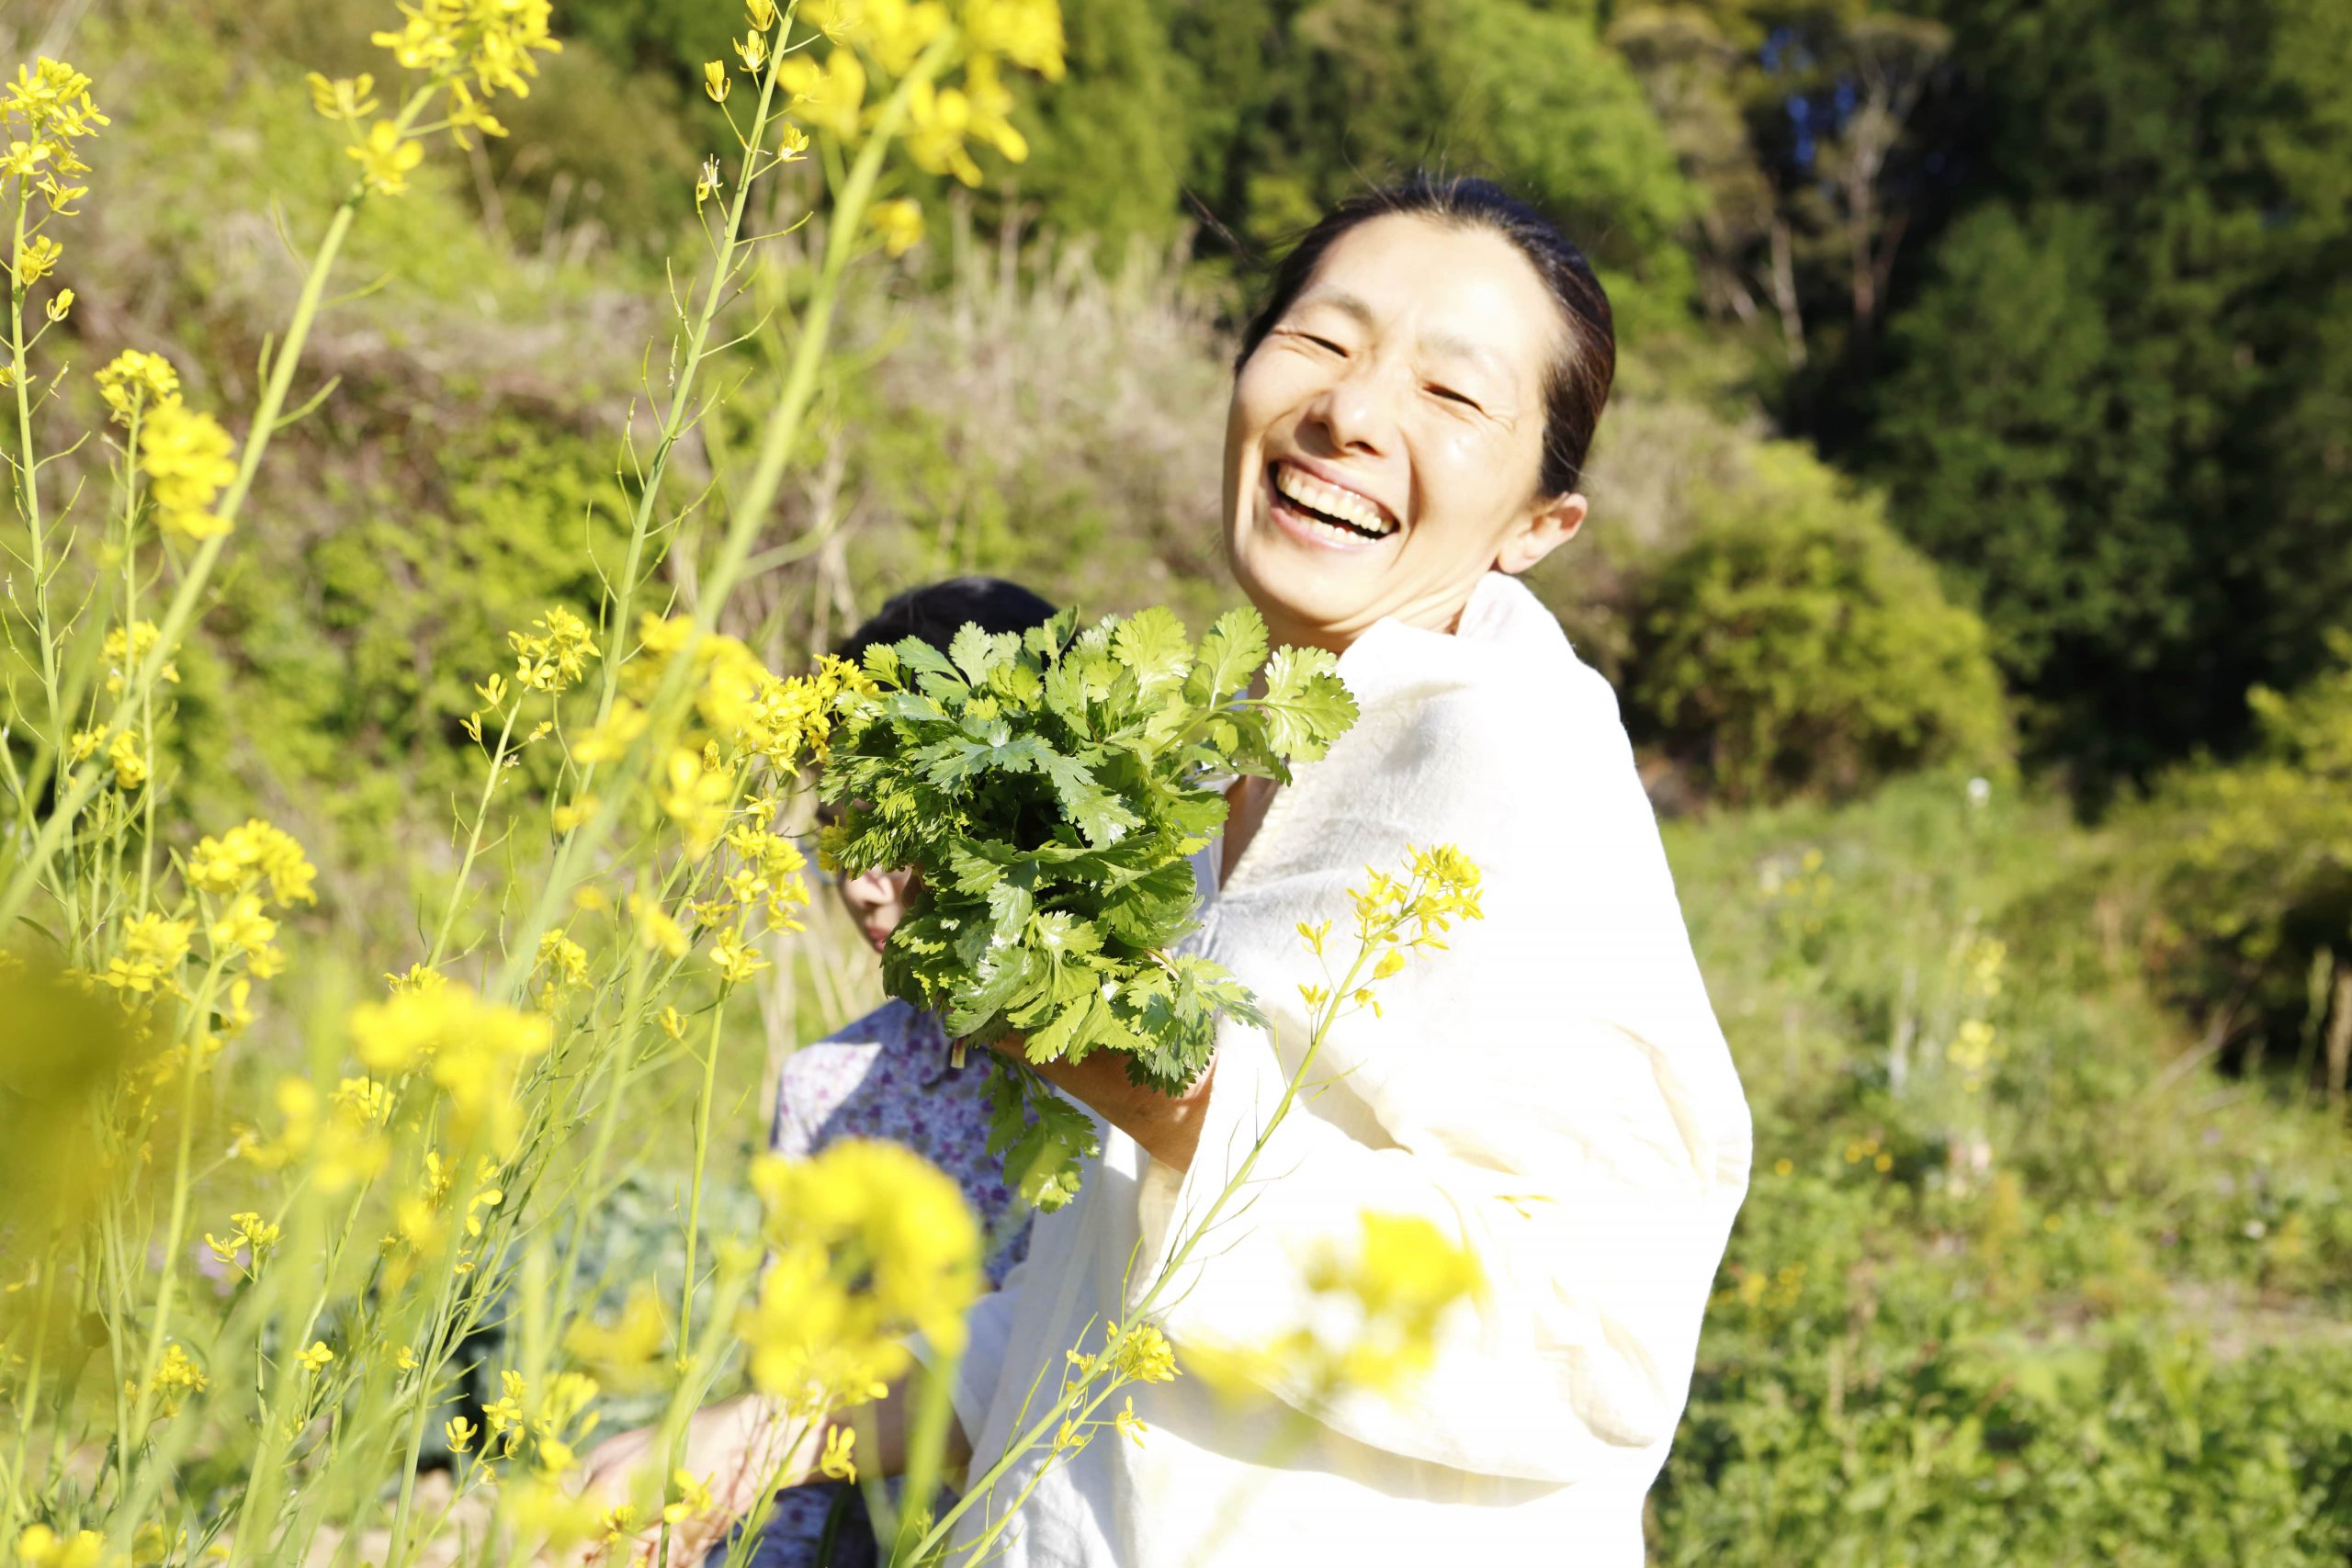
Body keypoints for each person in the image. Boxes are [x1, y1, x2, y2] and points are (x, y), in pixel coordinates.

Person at [588, 173, 1753, 1567]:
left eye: (1452, 393)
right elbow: (1111, 1290)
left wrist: (1159, 1086)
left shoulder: (1518, 771)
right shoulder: (1202, 769)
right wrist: (744, 1441)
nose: (1351, 411)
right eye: (1322, 340)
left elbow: (1601, 1338)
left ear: (1538, 525)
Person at [585, 578, 1060, 1568]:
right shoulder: (829, 1086)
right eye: (842, 828)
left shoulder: (1143, 1081)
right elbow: (789, 1413)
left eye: (900, 832)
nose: (860, 885)